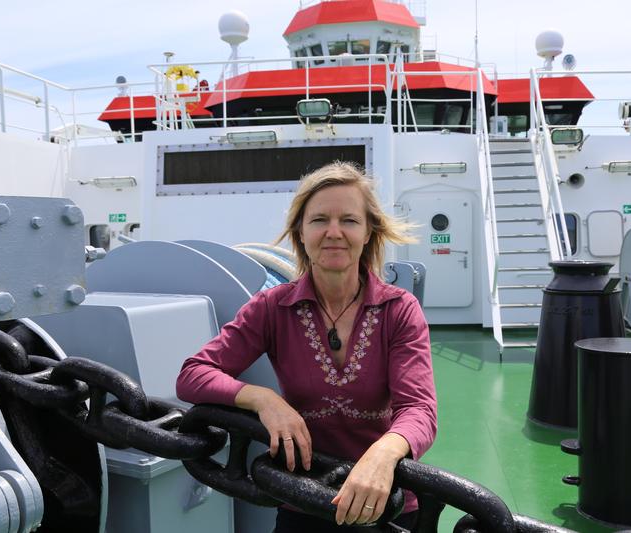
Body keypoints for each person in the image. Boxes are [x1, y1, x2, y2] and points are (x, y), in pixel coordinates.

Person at [176, 161, 437, 532]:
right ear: (300, 232)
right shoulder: (271, 308)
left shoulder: (398, 309)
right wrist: (263, 399)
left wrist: (384, 451)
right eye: (319, 220)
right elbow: (193, 375)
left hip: (387, 498)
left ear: (368, 232)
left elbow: (419, 408)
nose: (334, 232)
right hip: (303, 498)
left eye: (348, 220)